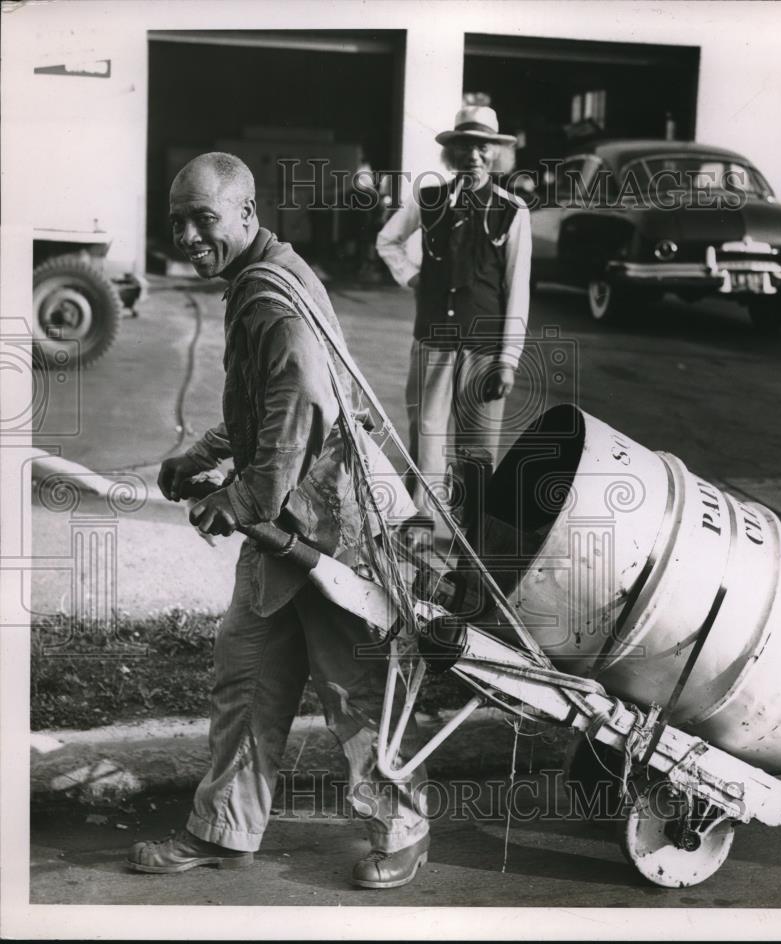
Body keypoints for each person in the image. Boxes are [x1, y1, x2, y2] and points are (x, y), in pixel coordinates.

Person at [129, 152, 430, 889]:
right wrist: (200, 453)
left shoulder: (271, 302)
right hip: (288, 532)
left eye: (204, 219)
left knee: (351, 690)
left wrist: (232, 501)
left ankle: (403, 827)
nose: (189, 236)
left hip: (328, 537)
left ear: (247, 214)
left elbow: (293, 418)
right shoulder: (261, 277)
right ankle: (226, 831)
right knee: (249, 672)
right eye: (178, 223)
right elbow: (263, 407)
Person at [376, 106, 531, 537]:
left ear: (496, 154)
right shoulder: (428, 200)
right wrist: (412, 275)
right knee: (426, 432)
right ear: (453, 152)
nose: (474, 156)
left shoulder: (512, 211)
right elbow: (387, 240)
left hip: (484, 346)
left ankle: (472, 532)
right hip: (433, 339)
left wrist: (509, 359)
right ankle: (422, 519)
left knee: (477, 445)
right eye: (465, 146)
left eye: (483, 147)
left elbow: (517, 288)